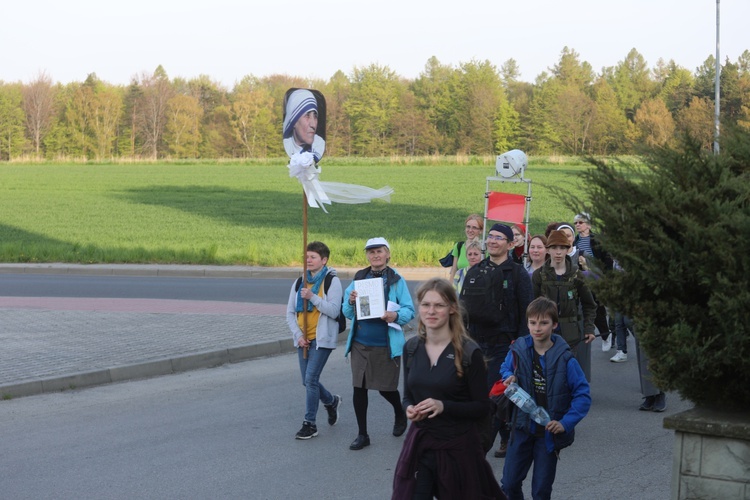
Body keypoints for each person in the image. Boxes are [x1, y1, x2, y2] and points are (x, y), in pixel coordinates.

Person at [392, 278, 505, 500]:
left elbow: (482, 408)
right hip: (421, 444)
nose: (431, 311)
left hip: (459, 448)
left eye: (439, 305)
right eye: (426, 305)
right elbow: (407, 397)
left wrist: (444, 406)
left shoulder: (469, 353)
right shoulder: (412, 348)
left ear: (452, 308)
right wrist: (409, 409)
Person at [500, 296, 591, 500]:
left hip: (548, 434)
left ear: (555, 325)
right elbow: (505, 367)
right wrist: (509, 376)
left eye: (544, 322)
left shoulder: (566, 358)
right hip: (521, 428)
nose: (537, 328)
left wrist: (565, 423)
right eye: (532, 323)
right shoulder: (518, 349)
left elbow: (583, 395)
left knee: (541, 490)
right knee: (509, 483)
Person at [459, 223, 533, 459]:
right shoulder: (476, 270)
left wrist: (521, 343)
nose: (492, 241)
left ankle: (481, 448)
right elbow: (462, 307)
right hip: (476, 343)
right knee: (479, 393)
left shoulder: (518, 273)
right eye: (490, 236)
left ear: (510, 244)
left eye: (499, 237)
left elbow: (526, 311)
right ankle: (498, 434)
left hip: (505, 344)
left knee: (495, 394)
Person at [342, 237, 416, 450]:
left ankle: (399, 411)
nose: (375, 255)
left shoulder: (396, 280)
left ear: (387, 254)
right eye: (371, 252)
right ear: (367, 255)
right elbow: (346, 312)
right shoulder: (359, 279)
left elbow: (409, 310)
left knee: (386, 388)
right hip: (360, 343)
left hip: (385, 343)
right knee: (359, 388)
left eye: (379, 251)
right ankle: (362, 434)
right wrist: (350, 301)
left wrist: (395, 315)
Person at [285, 241, 342, 440]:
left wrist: (313, 297)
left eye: (313, 257)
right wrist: (298, 335)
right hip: (304, 339)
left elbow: (335, 310)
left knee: (310, 380)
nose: (308, 260)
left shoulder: (331, 281)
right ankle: (331, 401)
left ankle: (309, 424)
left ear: (324, 260)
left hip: (322, 339)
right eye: (306, 256)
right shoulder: (300, 281)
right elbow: (290, 312)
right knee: (307, 381)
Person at [532, 229, 597, 381]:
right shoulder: (539, 275)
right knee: (547, 374)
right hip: (545, 334)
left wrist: (589, 328)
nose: (558, 252)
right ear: (548, 250)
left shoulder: (576, 274)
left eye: (562, 248)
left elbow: (589, 304)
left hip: (571, 335)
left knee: (567, 373)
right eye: (554, 248)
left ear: (568, 250)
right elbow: (531, 307)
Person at [573, 212, 615, 352]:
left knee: (599, 309)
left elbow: (607, 261)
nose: (578, 225)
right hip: (581, 280)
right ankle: (608, 334)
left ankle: (605, 335)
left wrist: (607, 278)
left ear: (589, 225)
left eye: (581, 222)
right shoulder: (575, 242)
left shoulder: (597, 240)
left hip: (597, 279)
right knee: (589, 308)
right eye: (576, 223)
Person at [283, 89, 326, 162]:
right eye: (307, 116)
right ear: (293, 121)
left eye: (315, 116)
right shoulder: (286, 146)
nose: (313, 125)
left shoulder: (319, 144)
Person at [448, 214, 484, 283]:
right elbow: (454, 271)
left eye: (474, 228)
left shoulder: (484, 249)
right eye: (468, 227)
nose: (470, 230)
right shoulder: (458, 246)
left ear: (481, 231)